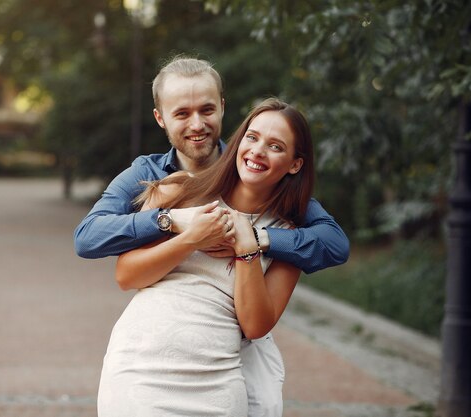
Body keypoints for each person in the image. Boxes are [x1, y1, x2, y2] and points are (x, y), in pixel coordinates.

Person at [75, 56, 349, 415]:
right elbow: (91, 240)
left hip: (226, 364)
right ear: (160, 118)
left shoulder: (280, 204)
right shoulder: (157, 178)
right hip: (143, 369)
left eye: (206, 110)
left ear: (222, 107)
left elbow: (334, 243)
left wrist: (253, 238)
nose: (197, 124)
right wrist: (176, 223)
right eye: (182, 113)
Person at [98, 97, 313, 416]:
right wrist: (192, 238)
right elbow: (127, 276)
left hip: (216, 385)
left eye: (275, 146)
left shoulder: (287, 237)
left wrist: (246, 245)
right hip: (138, 372)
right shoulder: (181, 189)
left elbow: (255, 325)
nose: (257, 151)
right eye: (252, 138)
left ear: (295, 164)